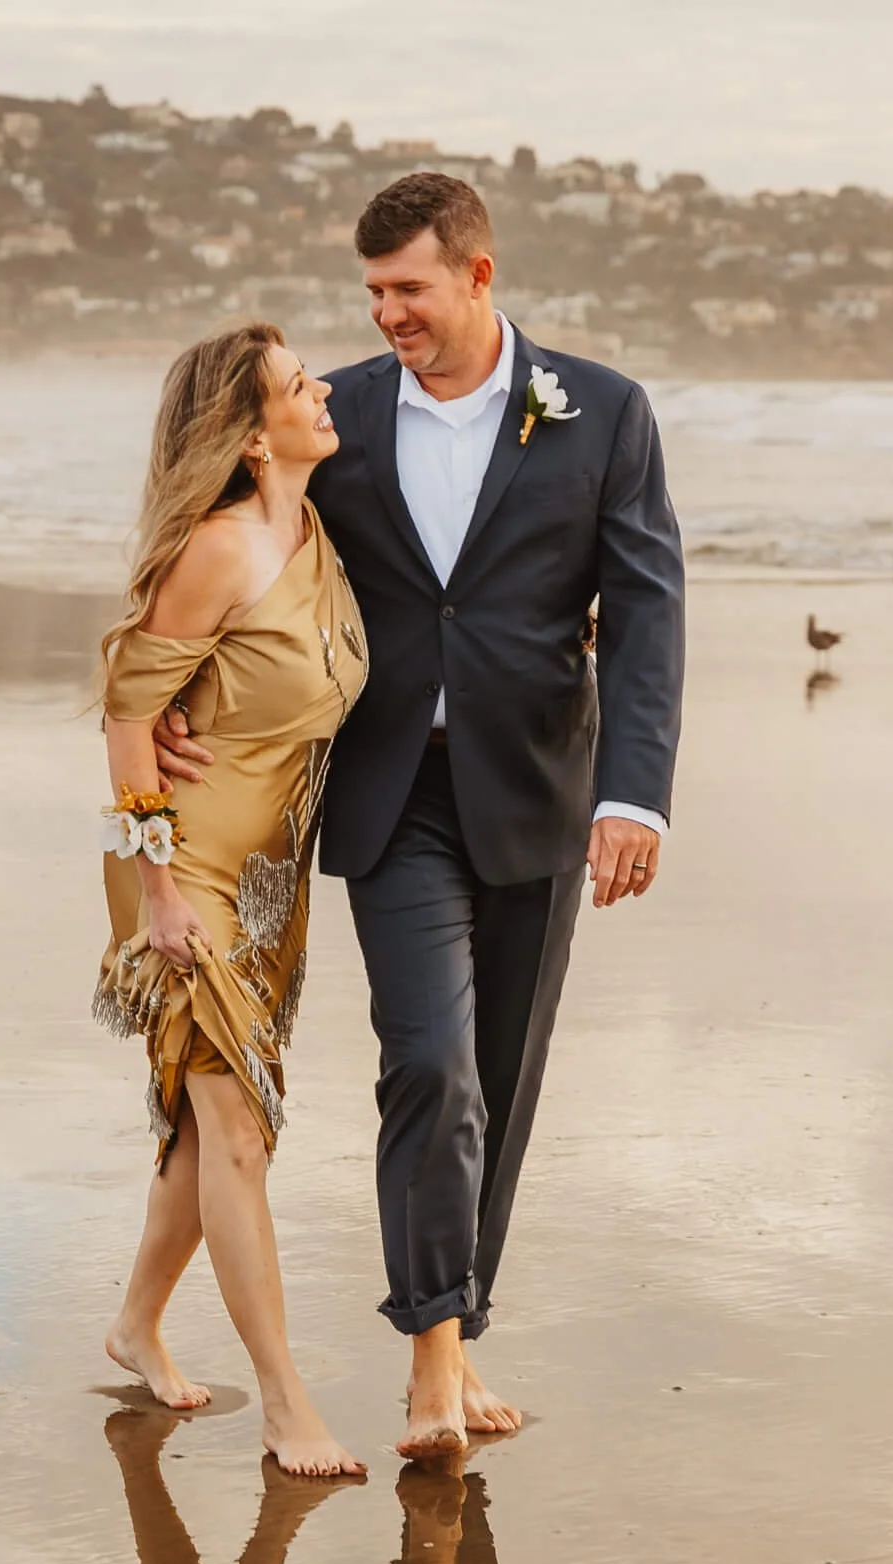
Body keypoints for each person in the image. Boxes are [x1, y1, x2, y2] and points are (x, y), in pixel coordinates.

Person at [159, 173, 685, 1458]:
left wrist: (635, 792)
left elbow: (649, 603)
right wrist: (169, 695)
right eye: (373, 292)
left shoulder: (602, 412)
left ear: (477, 276)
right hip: (391, 793)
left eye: (409, 288)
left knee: (499, 1078)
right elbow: (231, 532)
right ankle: (429, 1362)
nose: (387, 312)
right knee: (430, 1064)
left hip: (542, 793)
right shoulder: (333, 415)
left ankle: (457, 1330)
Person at [96, 322, 369, 1478]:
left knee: (210, 1128)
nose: (322, 387)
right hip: (192, 875)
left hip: (274, 879)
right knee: (239, 1132)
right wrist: (157, 889)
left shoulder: (315, 528)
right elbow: (123, 715)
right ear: (253, 438)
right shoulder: (214, 550)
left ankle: (133, 1321)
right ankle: (283, 1397)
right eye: (297, 385)